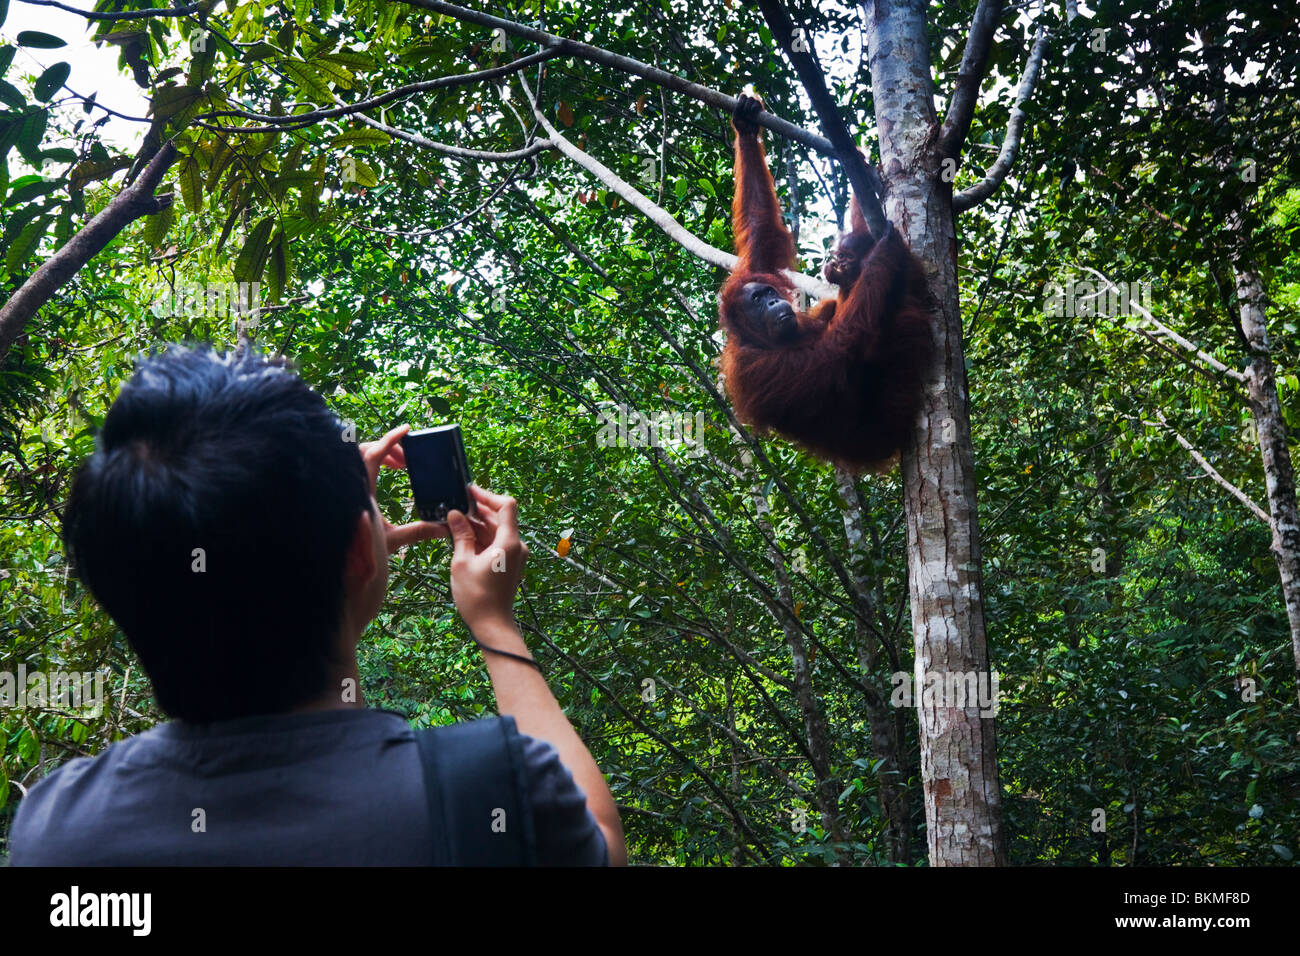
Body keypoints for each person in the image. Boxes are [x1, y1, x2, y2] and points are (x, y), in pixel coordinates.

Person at [8, 344, 626, 866]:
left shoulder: (56, 831)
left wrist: (337, 539)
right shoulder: (490, 790)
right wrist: (495, 622)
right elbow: (601, 842)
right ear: (362, 549)